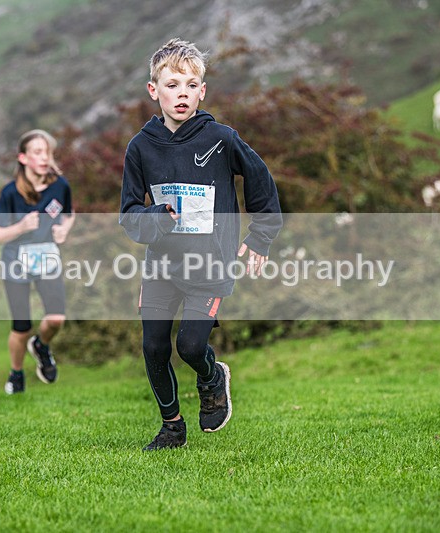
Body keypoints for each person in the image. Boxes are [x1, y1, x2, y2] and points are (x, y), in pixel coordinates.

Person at [119, 38, 283, 451]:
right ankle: (172, 428)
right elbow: (128, 214)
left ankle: (212, 377)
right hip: (162, 265)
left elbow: (261, 180)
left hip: (210, 264)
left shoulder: (221, 139)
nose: (183, 94)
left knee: (190, 345)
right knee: (154, 347)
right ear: (154, 90)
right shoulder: (140, 147)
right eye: (173, 85)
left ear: (203, 91)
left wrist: (260, 237)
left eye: (192, 85)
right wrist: (155, 217)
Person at [0, 129, 75, 395]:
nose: (44, 157)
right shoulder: (11, 193)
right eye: (37, 152)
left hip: (47, 257)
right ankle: (16, 374)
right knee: (21, 327)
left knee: (56, 319)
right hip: (16, 262)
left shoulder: (61, 185)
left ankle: (42, 346)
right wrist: (21, 227)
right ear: (23, 158)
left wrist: (64, 229)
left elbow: (69, 215)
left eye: (47, 152)